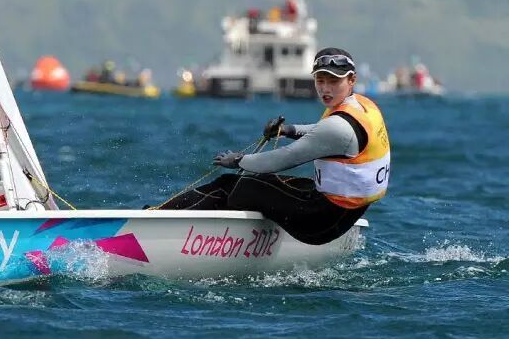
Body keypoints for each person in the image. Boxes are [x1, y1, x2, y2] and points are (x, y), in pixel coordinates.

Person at [158, 47, 390, 245]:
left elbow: (284, 158)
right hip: (342, 216)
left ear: (352, 80)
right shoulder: (363, 106)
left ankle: (164, 227)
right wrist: (288, 130)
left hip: (319, 224)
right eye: (320, 80)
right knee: (264, 184)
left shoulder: (338, 128)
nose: (326, 89)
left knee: (233, 185)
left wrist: (238, 160)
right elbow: (324, 133)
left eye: (334, 81)